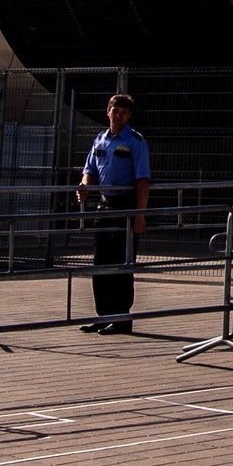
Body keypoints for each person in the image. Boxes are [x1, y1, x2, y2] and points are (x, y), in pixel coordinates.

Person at [77, 93, 149, 330]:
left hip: (125, 205)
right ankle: (103, 316)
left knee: (122, 263)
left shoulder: (135, 141)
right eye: (114, 110)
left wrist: (139, 214)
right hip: (105, 205)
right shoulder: (100, 140)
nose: (118, 115)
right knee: (101, 261)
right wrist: (85, 187)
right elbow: (89, 170)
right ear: (107, 111)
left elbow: (142, 181)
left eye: (123, 112)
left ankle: (121, 318)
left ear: (129, 116)